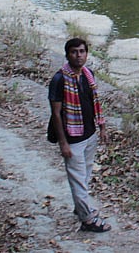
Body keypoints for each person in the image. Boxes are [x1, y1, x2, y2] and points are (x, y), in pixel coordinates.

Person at [48, 38, 111, 232]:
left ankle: (80, 207)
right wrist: (63, 143)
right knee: (77, 177)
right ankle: (88, 220)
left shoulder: (87, 74)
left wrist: (101, 128)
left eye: (82, 51)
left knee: (84, 175)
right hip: (72, 138)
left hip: (89, 134)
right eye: (74, 52)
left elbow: (94, 103)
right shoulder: (59, 80)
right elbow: (56, 114)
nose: (79, 55)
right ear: (67, 55)